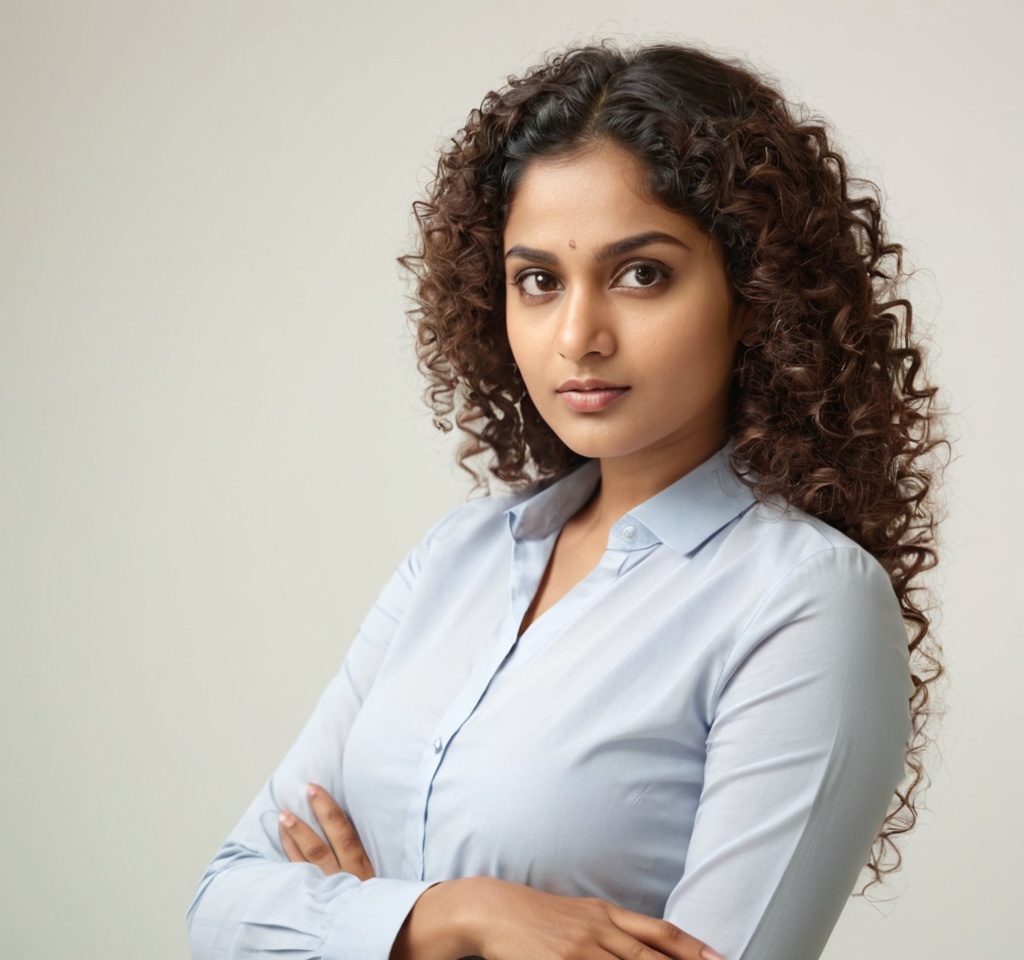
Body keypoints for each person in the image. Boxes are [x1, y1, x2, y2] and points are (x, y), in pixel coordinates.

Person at [187, 41, 943, 960]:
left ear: (752, 293)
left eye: (642, 274)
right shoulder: (457, 556)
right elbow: (225, 904)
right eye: (538, 281)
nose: (579, 336)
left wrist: (356, 924)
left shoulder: (806, 599)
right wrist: (455, 918)